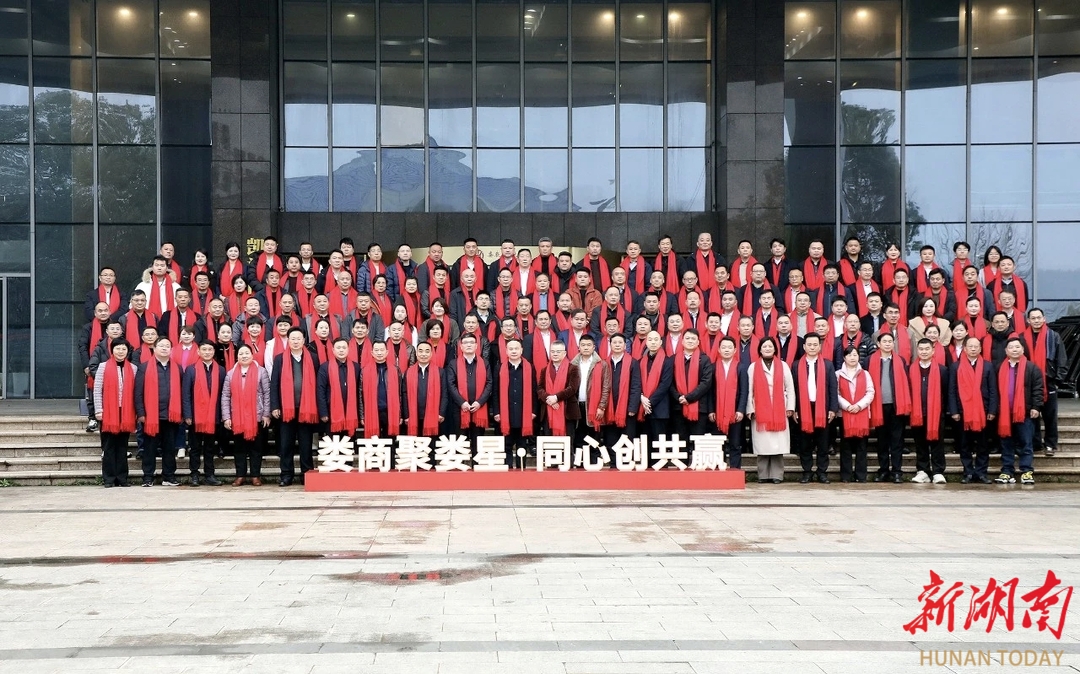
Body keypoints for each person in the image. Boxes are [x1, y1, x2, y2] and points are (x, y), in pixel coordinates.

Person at [270, 328, 321, 486]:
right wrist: (275, 405)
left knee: (306, 444)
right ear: (288, 340)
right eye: (293, 338)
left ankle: (307, 473)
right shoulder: (280, 359)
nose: (296, 341)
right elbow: (274, 383)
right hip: (286, 408)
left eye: (299, 338)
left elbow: (318, 384)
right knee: (286, 444)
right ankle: (286, 475)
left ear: (304, 340)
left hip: (307, 408)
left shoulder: (313, 358)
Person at [744, 338, 796, 484]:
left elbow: (790, 388)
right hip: (760, 409)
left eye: (770, 346)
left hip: (779, 408)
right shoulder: (753, 367)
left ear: (775, 349)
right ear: (760, 349)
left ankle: (777, 475)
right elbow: (749, 390)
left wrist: (790, 407)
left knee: (778, 445)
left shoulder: (783, 366)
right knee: (762, 445)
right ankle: (762, 475)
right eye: (764, 346)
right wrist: (750, 408)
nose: (767, 348)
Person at [948, 336, 998, 484]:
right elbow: (952, 390)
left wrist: (992, 410)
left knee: (983, 445)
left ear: (980, 349)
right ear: (965, 349)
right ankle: (968, 472)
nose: (974, 349)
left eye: (976, 346)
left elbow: (993, 390)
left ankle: (981, 473)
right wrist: (954, 411)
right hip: (963, 411)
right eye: (970, 346)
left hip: (983, 411)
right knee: (964, 445)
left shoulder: (988, 366)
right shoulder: (956, 367)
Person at [135, 337, 183, 487]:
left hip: (171, 415)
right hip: (151, 416)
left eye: (167, 346)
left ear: (171, 349)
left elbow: (182, 392)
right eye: (161, 345)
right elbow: (138, 392)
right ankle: (148, 477)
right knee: (149, 448)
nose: (164, 348)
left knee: (170, 448)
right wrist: (141, 413)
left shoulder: (177, 368)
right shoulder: (144, 367)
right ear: (154, 348)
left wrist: (181, 412)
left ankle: (169, 476)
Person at [994, 337, 1043, 485]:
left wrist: (1036, 407)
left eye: (1017, 347)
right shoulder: (999, 368)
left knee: (1026, 443)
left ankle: (1026, 471)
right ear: (1006, 351)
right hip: (1004, 413)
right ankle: (1007, 471)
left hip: (1025, 413)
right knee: (1006, 443)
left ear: (1022, 349)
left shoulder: (1031, 368)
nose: (1014, 350)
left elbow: (1038, 389)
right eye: (1011, 347)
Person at [222, 344, 271, 485]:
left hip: (257, 415)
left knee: (256, 448)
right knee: (239, 448)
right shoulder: (230, 373)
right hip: (237, 417)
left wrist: (266, 414)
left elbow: (267, 393)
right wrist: (226, 417)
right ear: (237, 356)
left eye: (247, 353)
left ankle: (255, 475)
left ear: (252, 354)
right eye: (241, 353)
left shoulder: (261, 371)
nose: (244, 356)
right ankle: (240, 475)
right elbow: (225, 396)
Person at [793, 333, 837, 484]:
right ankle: (807, 472)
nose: (812, 347)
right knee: (805, 443)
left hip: (822, 408)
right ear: (804, 346)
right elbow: (793, 389)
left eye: (815, 345)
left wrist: (833, 408)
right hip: (803, 409)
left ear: (820, 346)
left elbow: (833, 388)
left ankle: (822, 472)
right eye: (809, 345)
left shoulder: (828, 365)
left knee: (823, 443)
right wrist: (794, 408)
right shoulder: (796, 365)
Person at [1023, 308, 1067, 457]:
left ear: (1044, 319)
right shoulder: (1022, 338)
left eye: (1038, 317)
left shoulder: (1053, 336)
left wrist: (1057, 380)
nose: (1036, 320)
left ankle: (1050, 444)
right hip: (1029, 382)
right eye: (1033, 318)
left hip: (1048, 381)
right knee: (1032, 414)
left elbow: (1062, 359)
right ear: (1028, 320)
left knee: (1050, 415)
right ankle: (1036, 444)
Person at [181, 341, 227, 486]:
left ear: (214, 352)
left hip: (213, 415)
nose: (207, 352)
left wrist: (222, 415)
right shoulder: (191, 370)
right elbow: (186, 394)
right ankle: (194, 474)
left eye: (210, 349)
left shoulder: (221, 370)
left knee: (209, 448)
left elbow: (223, 394)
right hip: (196, 416)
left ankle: (210, 475)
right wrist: (187, 415)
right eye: (204, 349)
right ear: (198, 352)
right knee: (195, 448)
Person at [867, 332, 910, 483]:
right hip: (878, 406)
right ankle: (883, 470)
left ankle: (897, 471)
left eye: (890, 341)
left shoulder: (900, 360)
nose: (887, 344)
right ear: (878, 344)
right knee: (882, 441)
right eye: (884, 341)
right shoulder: (869, 360)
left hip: (896, 405)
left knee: (897, 441)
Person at [93, 339, 137, 488]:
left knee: (123, 446)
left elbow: (135, 392)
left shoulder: (133, 368)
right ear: (112, 350)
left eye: (123, 349)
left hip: (126, 412)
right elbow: (97, 390)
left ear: (127, 351)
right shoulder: (103, 367)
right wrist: (99, 410)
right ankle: (109, 478)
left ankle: (122, 478)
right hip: (108, 412)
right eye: (118, 348)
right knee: (109, 446)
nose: (120, 351)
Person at [908, 339, 948, 485]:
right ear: (917, 351)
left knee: (937, 443)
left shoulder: (942, 370)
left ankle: (938, 472)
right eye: (921, 349)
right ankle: (923, 471)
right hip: (917, 413)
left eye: (927, 349)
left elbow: (946, 392)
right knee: (920, 443)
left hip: (936, 414)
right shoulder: (910, 369)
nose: (924, 352)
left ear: (933, 351)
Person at [491, 338, 536, 468]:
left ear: (521, 350)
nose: (514, 351)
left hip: (524, 413)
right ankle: (508, 469)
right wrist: (496, 411)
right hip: (506, 413)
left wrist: (533, 410)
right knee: (506, 445)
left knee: (522, 445)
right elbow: (495, 391)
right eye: (511, 349)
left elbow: (534, 390)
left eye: (516, 348)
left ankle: (521, 470)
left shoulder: (529, 367)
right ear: (506, 351)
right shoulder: (500, 367)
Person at [835, 345, 874, 483]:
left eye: (855, 355)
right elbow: (836, 393)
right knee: (845, 446)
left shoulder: (865, 374)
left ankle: (861, 475)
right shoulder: (838, 374)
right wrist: (847, 406)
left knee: (861, 447)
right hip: (844, 414)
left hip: (861, 413)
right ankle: (846, 475)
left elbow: (870, 392)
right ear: (844, 358)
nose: (852, 358)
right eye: (849, 355)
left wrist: (858, 406)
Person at [447, 333, 492, 448]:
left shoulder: (485, 363)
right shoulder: (453, 363)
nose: (469, 345)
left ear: (477, 346)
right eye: (465, 343)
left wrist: (479, 402)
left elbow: (489, 383)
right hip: (460, 408)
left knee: (478, 443)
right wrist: (462, 402)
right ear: (461, 346)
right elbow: (451, 385)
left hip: (479, 407)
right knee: (460, 443)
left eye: (472, 342)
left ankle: (476, 459)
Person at [708, 336, 746, 468]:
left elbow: (744, 391)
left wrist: (740, 410)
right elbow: (710, 391)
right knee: (718, 443)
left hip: (735, 412)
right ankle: (719, 470)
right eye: (723, 347)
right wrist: (711, 410)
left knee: (735, 444)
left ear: (735, 350)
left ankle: (735, 470)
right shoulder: (713, 367)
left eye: (730, 347)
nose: (726, 350)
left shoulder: (741, 367)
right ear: (719, 350)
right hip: (717, 412)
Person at [671, 329, 714, 441]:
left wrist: (689, 397)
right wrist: (678, 397)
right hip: (678, 406)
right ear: (682, 341)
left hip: (699, 407)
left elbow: (706, 382)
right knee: (681, 442)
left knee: (698, 441)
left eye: (693, 339)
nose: (690, 341)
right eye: (687, 338)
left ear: (698, 342)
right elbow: (669, 382)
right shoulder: (673, 359)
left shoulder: (704, 359)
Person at [571, 335, 610, 456]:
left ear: (594, 347)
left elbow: (606, 387)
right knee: (578, 434)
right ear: (579, 347)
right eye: (583, 345)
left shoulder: (602, 364)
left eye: (589, 345)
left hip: (594, 405)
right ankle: (580, 461)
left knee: (594, 435)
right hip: (577, 405)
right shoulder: (573, 364)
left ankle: (594, 460)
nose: (586, 348)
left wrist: (601, 406)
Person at [316, 338, 362, 441]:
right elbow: (320, 391)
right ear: (333, 350)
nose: (341, 350)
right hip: (331, 413)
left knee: (349, 444)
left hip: (350, 412)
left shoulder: (356, 367)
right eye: (338, 348)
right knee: (334, 445)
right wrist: (323, 412)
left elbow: (359, 391)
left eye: (344, 347)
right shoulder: (325, 367)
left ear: (348, 349)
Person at [403, 341, 448, 441]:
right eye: (420, 351)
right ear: (416, 353)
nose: (423, 354)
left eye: (427, 351)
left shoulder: (440, 372)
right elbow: (404, 394)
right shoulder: (408, 372)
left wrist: (441, 413)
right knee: (416, 445)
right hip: (414, 415)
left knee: (431, 445)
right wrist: (406, 415)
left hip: (434, 415)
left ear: (431, 354)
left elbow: (444, 394)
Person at [602, 334, 640, 449]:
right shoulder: (604, 363)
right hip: (609, 408)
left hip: (627, 408)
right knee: (611, 440)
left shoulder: (633, 362)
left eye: (620, 342)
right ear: (610, 345)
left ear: (625, 345)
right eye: (614, 342)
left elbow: (636, 386)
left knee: (627, 440)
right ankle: (613, 459)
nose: (617, 345)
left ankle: (627, 460)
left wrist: (632, 407)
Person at [80, 302, 113, 432]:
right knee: (93, 392)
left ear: (110, 312)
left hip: (112, 364)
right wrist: (86, 365)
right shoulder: (88, 328)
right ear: (95, 313)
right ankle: (93, 418)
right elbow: (82, 346)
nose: (103, 313)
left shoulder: (115, 326)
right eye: (100, 311)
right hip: (94, 364)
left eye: (105, 310)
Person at [362, 341, 404, 441]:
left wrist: (400, 414)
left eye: (382, 350)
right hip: (372, 411)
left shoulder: (395, 370)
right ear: (372, 353)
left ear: (387, 352)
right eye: (376, 350)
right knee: (374, 443)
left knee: (389, 442)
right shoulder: (364, 370)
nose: (379, 353)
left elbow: (400, 393)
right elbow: (360, 394)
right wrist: (362, 415)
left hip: (390, 411)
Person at [638, 331, 673, 443]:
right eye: (650, 340)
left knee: (659, 443)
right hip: (642, 407)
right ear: (646, 342)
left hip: (659, 408)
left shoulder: (667, 361)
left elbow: (665, 385)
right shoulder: (640, 362)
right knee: (645, 444)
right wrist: (641, 397)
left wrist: (649, 403)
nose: (653, 342)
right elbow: (637, 383)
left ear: (661, 342)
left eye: (656, 340)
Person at [136, 255, 182, 319]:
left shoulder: (175, 286)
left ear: (167, 268)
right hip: (147, 319)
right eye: (157, 265)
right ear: (152, 267)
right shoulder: (143, 285)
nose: (159, 268)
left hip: (170, 320)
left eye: (162, 266)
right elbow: (134, 304)